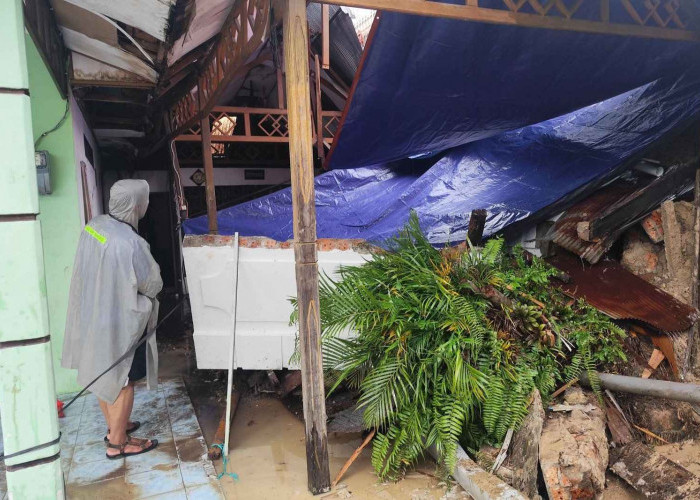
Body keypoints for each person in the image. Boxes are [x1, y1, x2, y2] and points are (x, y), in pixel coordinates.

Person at [63, 179, 162, 459]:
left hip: (93, 314)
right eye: (144, 200)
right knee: (123, 378)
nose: (146, 205)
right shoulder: (131, 242)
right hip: (121, 322)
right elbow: (151, 284)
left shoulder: (94, 228)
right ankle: (118, 443)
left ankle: (114, 425)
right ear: (135, 205)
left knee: (102, 373)